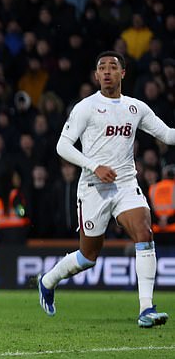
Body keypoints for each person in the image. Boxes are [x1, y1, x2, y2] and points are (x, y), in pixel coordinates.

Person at [38, 51, 172, 328]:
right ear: (97, 75)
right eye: (102, 68)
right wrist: (93, 165)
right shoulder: (86, 107)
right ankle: (48, 280)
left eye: (113, 67)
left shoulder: (136, 108)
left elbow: (168, 135)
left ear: (123, 73)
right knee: (88, 257)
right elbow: (62, 146)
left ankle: (146, 308)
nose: (107, 71)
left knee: (144, 231)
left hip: (125, 184)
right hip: (93, 187)